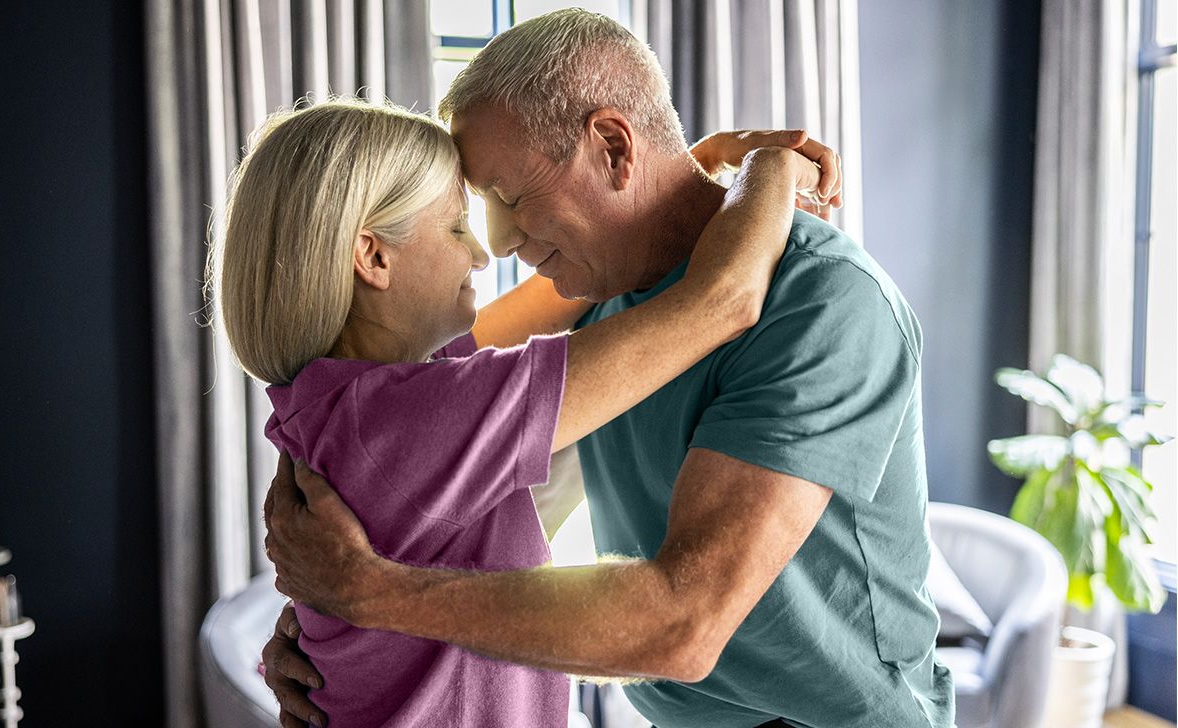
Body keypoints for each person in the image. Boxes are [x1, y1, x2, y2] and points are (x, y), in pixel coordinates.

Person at [262, 8, 954, 728]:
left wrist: (371, 597)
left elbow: (682, 625)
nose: (494, 245)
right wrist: (339, 640)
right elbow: (452, 500)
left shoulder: (824, 302)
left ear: (615, 149)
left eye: (510, 199)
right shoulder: (599, 299)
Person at [213, 94, 832, 727]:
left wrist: (677, 177)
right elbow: (722, 300)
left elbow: (568, 289)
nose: (482, 255)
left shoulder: (347, 407)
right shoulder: (418, 419)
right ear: (374, 257)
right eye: (457, 227)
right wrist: (771, 167)